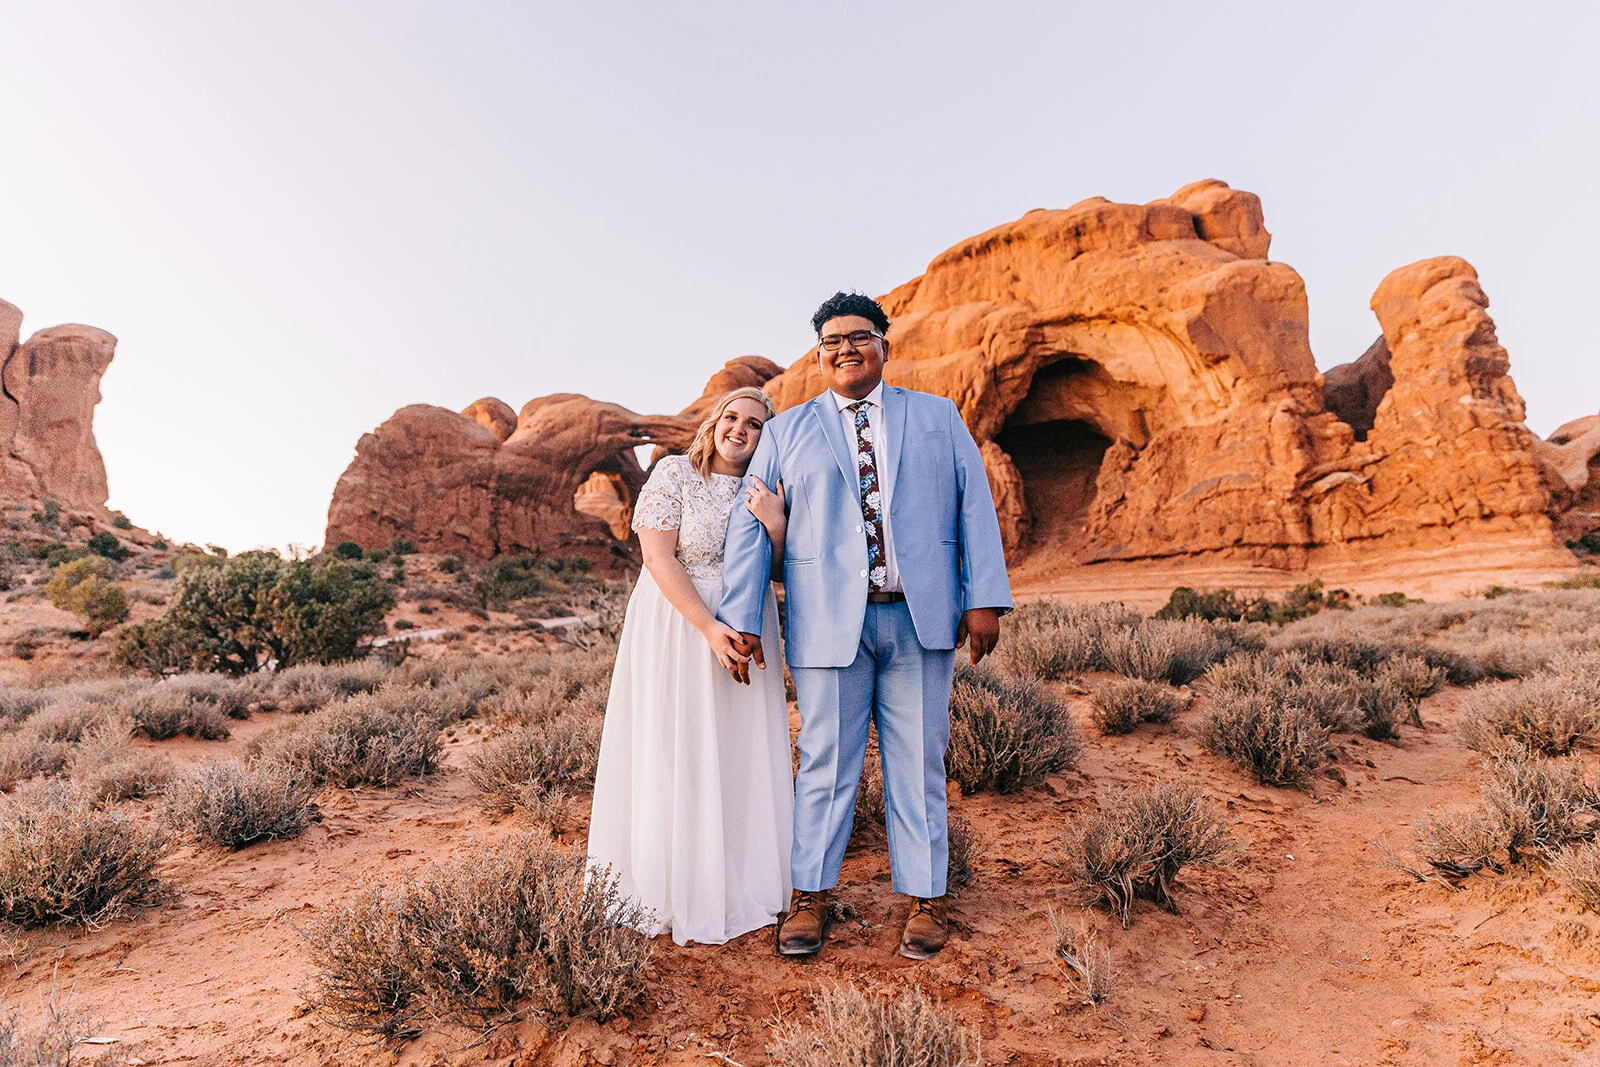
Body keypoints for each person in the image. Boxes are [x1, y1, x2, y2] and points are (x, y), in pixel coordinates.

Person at [718, 291, 1012, 960]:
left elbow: (974, 506)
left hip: (919, 617)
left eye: (859, 336)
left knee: (919, 762)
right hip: (826, 623)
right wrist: (741, 616)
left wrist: (984, 596)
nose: (844, 347)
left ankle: (925, 898)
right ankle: (812, 895)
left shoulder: (937, 418)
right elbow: (750, 527)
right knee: (825, 760)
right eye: (831, 340)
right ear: (819, 354)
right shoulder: (786, 431)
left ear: (886, 343)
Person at [586, 386, 793, 946]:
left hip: (749, 620)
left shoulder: (766, 487)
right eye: (732, 417)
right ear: (714, 422)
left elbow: (780, 570)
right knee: (675, 745)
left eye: (754, 424)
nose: (740, 430)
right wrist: (707, 627)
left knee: (736, 748)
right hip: (679, 623)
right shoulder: (675, 473)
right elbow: (656, 556)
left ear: (764, 436)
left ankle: (737, 880)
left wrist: (775, 523)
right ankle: (672, 884)